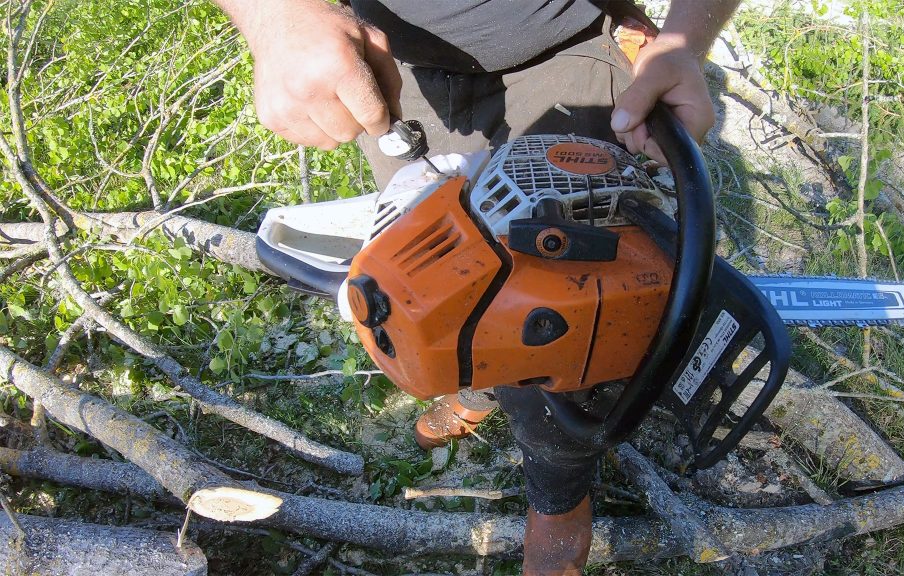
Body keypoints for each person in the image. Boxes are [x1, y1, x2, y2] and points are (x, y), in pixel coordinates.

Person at [212, 1, 738, 573]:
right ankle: (479, 390)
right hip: (391, 69)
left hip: (570, 52)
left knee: (569, 332)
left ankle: (559, 497)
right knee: (446, 300)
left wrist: (681, 41)